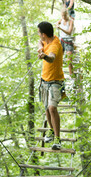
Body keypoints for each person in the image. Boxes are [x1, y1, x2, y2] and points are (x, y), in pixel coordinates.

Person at [37, 21, 65, 150]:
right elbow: (40, 43)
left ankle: (58, 139)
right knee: (46, 108)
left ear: (44, 34)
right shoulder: (46, 40)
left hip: (55, 81)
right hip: (44, 80)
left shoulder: (55, 45)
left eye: (39, 33)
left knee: (52, 108)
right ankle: (51, 130)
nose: (38, 36)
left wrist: (44, 56)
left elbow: (52, 58)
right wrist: (40, 48)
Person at [56, 8, 74, 77]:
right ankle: (59, 74)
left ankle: (72, 77)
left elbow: (69, 32)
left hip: (68, 41)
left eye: (64, 16)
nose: (63, 17)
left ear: (67, 14)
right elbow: (57, 23)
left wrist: (60, 28)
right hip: (61, 41)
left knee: (69, 61)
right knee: (59, 59)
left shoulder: (71, 21)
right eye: (62, 16)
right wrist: (57, 24)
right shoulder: (61, 20)